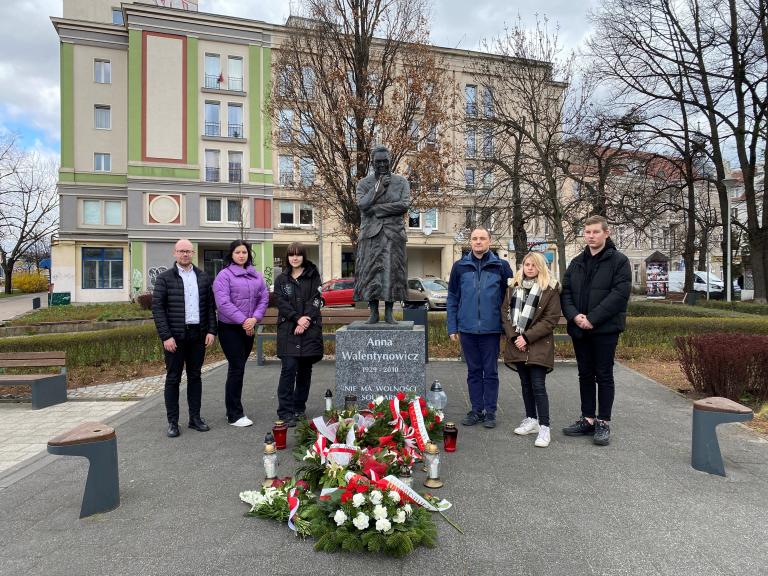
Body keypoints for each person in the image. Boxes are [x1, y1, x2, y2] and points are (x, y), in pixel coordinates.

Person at [561, 215, 631, 446]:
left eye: (595, 232)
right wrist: (574, 316)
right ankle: (588, 418)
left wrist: (592, 318)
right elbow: (567, 293)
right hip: (580, 329)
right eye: (587, 232)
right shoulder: (577, 262)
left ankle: (604, 422)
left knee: (604, 375)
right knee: (584, 374)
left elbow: (619, 295)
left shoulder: (619, 261)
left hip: (605, 330)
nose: (591, 236)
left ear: (606, 233)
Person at [446, 227, 513, 429]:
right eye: (474, 238)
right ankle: (476, 410)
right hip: (466, 329)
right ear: (470, 241)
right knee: (473, 371)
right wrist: (452, 327)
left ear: (489, 241)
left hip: (491, 330)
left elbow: (508, 300)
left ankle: (490, 412)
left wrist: (505, 329)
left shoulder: (501, 266)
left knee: (490, 372)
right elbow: (452, 298)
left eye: (482, 238)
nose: (478, 241)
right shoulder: (460, 267)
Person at [152, 239, 217, 438]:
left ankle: (195, 419)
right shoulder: (164, 278)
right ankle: (173, 422)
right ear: (175, 253)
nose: (185, 254)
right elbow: (158, 309)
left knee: (195, 377)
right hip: (175, 338)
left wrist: (211, 331)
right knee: (173, 379)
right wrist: (166, 336)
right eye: (181, 251)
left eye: (188, 251)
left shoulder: (203, 277)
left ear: (193, 252)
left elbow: (210, 308)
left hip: (197, 335)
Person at [501, 252, 562, 448]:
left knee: (538, 386)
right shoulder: (513, 286)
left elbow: (550, 319)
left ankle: (545, 427)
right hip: (517, 343)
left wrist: (526, 337)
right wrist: (514, 337)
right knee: (525, 385)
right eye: (526, 264)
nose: (529, 268)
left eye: (533, 265)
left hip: (537, 345)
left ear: (541, 267)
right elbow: (505, 312)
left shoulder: (549, 289)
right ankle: (531, 420)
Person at [213, 240, 269, 427]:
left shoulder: (256, 276)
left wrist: (254, 318)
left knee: (239, 368)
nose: (241, 255)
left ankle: (232, 408)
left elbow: (264, 298)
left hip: (249, 327)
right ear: (231, 255)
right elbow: (223, 303)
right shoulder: (224, 275)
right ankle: (234, 414)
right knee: (237, 367)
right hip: (230, 328)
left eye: (244, 252)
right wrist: (244, 320)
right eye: (237, 252)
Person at [353, 145, 410, 324]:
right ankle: (373, 312)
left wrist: (376, 209)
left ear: (390, 161)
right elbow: (363, 205)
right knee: (370, 271)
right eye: (378, 162)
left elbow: (403, 205)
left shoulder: (402, 182)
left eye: (385, 161)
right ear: (372, 162)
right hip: (370, 234)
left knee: (392, 272)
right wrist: (377, 189)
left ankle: (390, 313)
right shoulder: (363, 184)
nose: (382, 165)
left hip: (394, 234)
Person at [274, 243, 324, 426]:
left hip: (309, 331)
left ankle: (298, 408)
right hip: (288, 330)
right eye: (291, 255)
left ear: (304, 256)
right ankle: (285, 412)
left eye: (298, 255)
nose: (294, 258)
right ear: (287, 257)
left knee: (304, 372)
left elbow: (317, 300)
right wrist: (297, 319)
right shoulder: (281, 279)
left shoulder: (313, 276)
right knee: (288, 370)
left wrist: (305, 320)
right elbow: (281, 303)